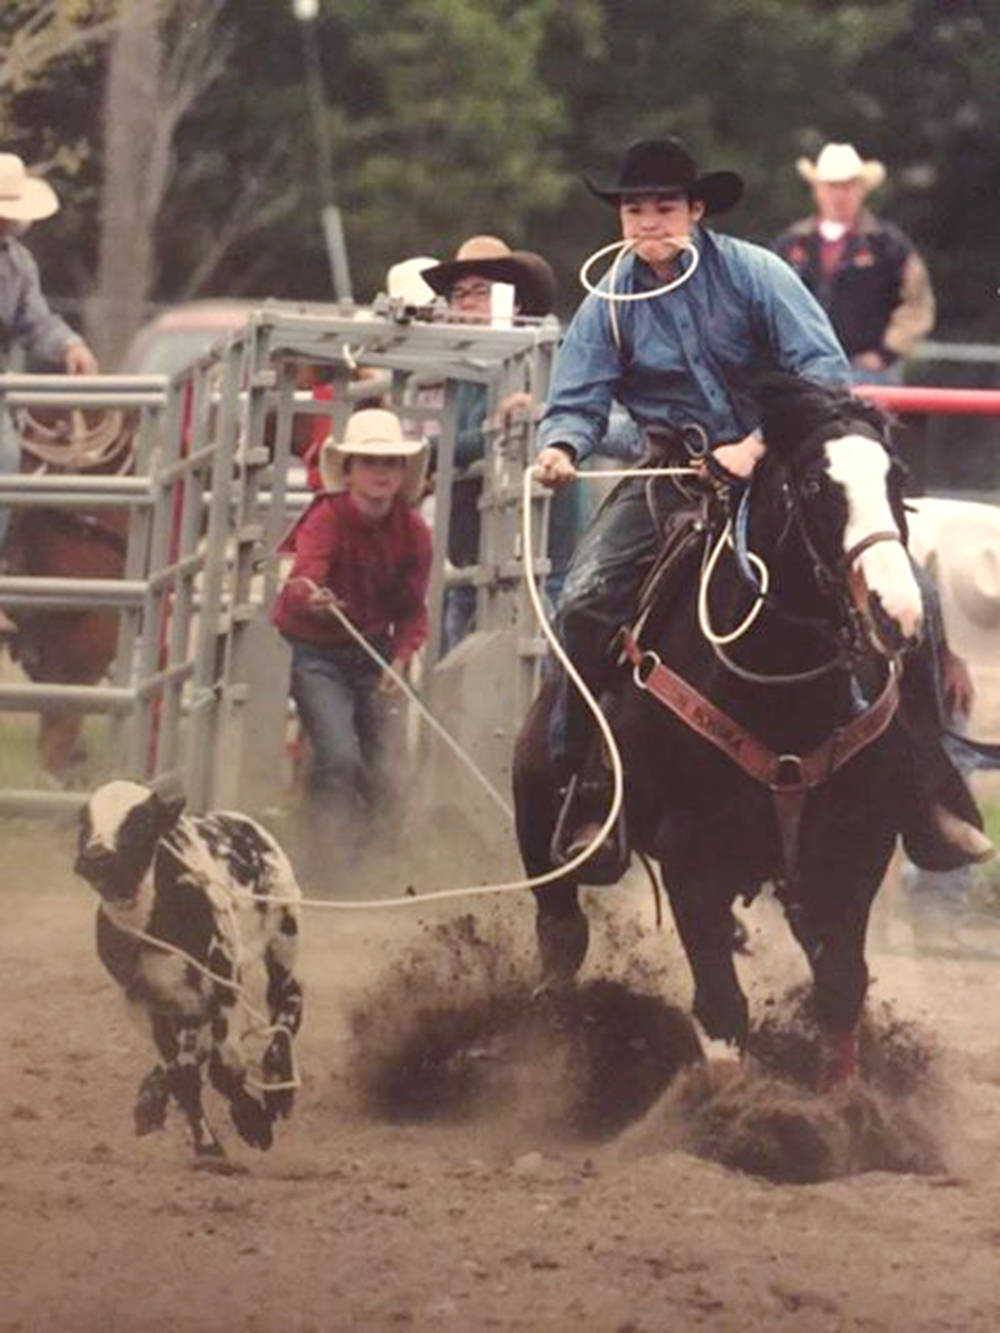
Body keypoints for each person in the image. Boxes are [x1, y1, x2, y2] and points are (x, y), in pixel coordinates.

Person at [532, 135, 991, 874]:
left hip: (782, 469)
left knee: (915, 594)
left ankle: (929, 792)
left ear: (697, 210)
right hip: (671, 475)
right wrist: (562, 446)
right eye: (634, 209)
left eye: (664, 207)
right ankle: (586, 790)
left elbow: (821, 369)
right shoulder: (608, 302)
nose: (648, 222)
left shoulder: (756, 273)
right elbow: (577, 399)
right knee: (583, 600)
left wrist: (755, 441)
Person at [271, 408, 431, 859]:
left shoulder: (414, 532)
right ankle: (326, 860)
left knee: (384, 769)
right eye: (370, 462)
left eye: (390, 463)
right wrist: (314, 597)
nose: (381, 472)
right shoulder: (326, 518)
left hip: (374, 653)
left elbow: (413, 610)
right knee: (340, 756)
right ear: (350, 469)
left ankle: (373, 861)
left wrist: (399, 660)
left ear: (402, 472)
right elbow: (304, 577)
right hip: (318, 653)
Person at [420, 236, 557, 651]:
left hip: (533, 551)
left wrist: (431, 454)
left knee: (536, 665)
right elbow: (478, 438)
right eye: (459, 293)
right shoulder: (464, 368)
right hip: (472, 550)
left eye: (481, 291)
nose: (467, 302)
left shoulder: (538, 356)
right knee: (461, 667)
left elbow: (500, 435)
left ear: (514, 302)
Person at [773, 142, 935, 385]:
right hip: (803, 370)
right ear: (817, 190)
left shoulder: (888, 245)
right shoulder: (791, 243)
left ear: (862, 190)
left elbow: (917, 304)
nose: (838, 194)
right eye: (831, 186)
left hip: (870, 373)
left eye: (847, 186)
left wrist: (885, 353)